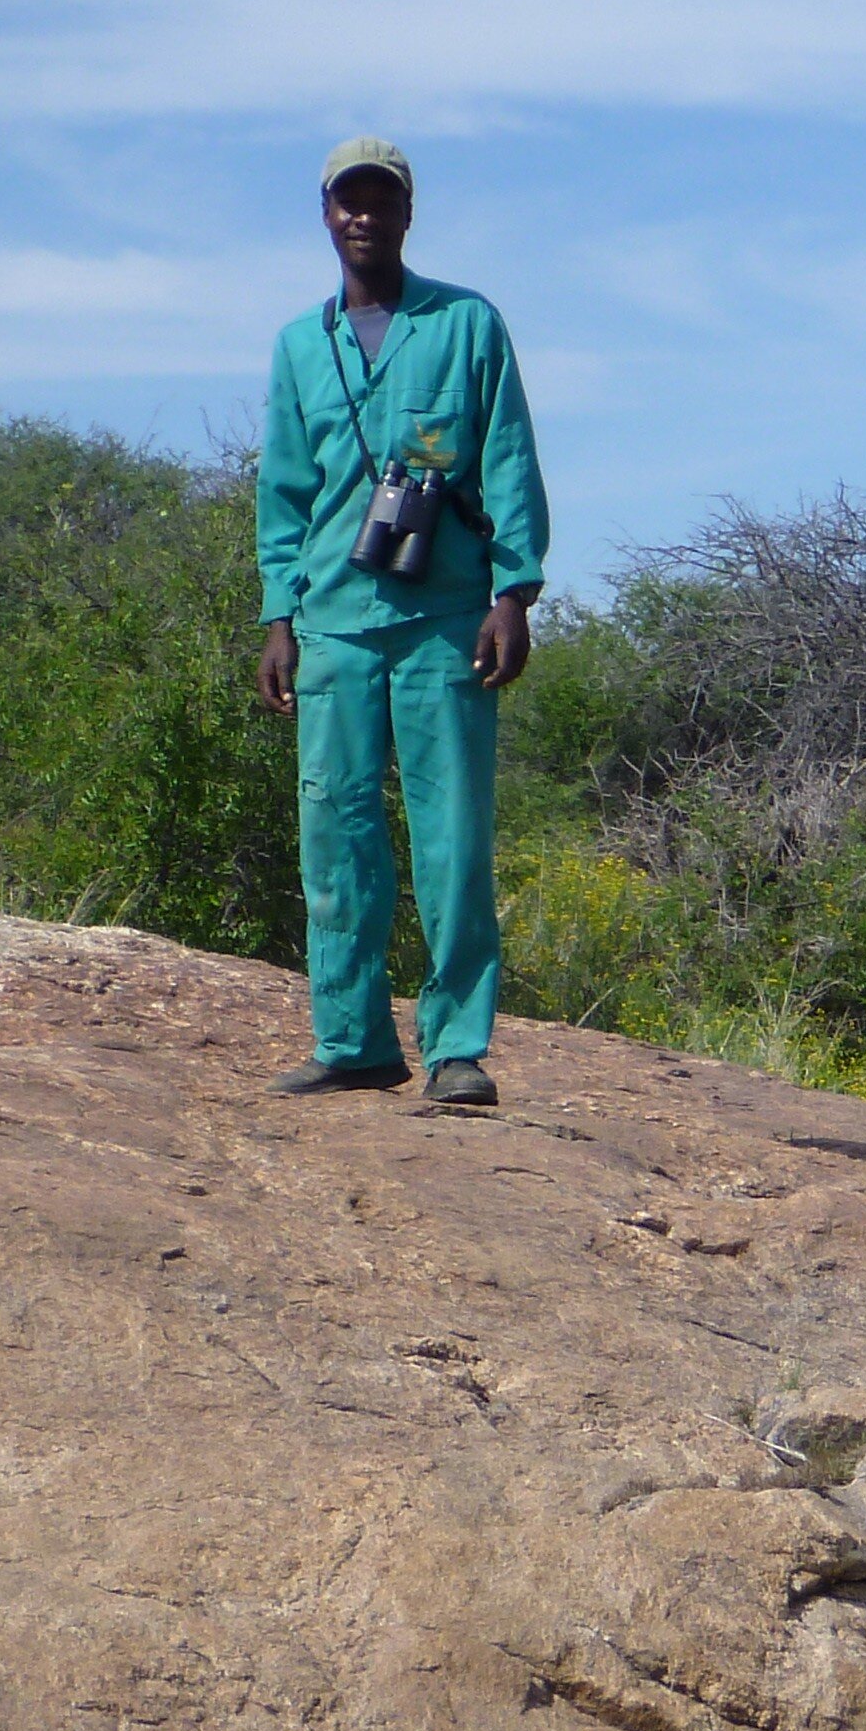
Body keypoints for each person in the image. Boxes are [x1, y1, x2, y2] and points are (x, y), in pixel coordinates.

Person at [252, 137, 550, 1105]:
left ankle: (456, 1048)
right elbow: (284, 493)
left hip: (444, 619)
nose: (364, 216)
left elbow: (506, 459)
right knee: (333, 836)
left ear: (408, 214)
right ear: (326, 214)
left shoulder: (466, 325)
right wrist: (277, 616)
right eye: (348, 201)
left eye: (382, 200)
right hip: (333, 622)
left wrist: (514, 591)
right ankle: (352, 1041)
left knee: (451, 838)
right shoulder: (303, 344)